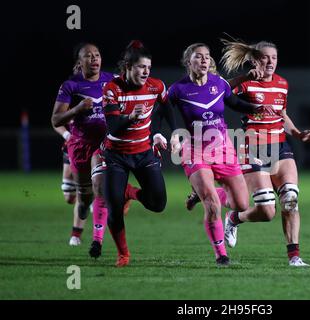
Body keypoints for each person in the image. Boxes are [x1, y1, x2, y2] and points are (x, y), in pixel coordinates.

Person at [215, 38, 310, 267]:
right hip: (253, 147)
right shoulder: (246, 84)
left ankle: (295, 257)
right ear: (254, 60)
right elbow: (218, 89)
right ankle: (234, 217)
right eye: (265, 58)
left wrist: (299, 134)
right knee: (267, 211)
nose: (270, 62)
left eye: (274, 57)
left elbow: (282, 114)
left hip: (280, 147)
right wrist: (244, 77)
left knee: (291, 199)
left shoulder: (282, 83)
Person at [169, 43, 274, 266]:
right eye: (199, 57)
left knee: (242, 204)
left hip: (223, 147)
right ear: (189, 62)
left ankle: (203, 193)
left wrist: (254, 108)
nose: (205, 60)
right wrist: (168, 136)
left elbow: (233, 102)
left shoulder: (218, 83)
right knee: (213, 204)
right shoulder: (178, 89)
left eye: (207, 56)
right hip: (195, 149)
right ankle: (221, 254)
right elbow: (162, 111)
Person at [51, 42, 139, 256]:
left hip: (104, 144)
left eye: (97, 54)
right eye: (88, 56)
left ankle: (96, 241)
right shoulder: (70, 86)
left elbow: (131, 88)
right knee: (85, 195)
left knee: (100, 187)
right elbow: (55, 119)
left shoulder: (110, 80)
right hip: (80, 145)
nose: (94, 59)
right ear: (79, 62)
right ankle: (83, 205)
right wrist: (79, 108)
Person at [102, 40, 174, 267]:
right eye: (141, 67)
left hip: (143, 153)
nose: (146, 72)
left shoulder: (156, 86)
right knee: (113, 209)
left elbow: (167, 106)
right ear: (128, 67)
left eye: (149, 68)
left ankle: (130, 193)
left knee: (158, 204)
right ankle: (123, 254)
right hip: (116, 156)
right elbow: (113, 126)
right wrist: (131, 117)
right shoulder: (112, 89)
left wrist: (172, 133)